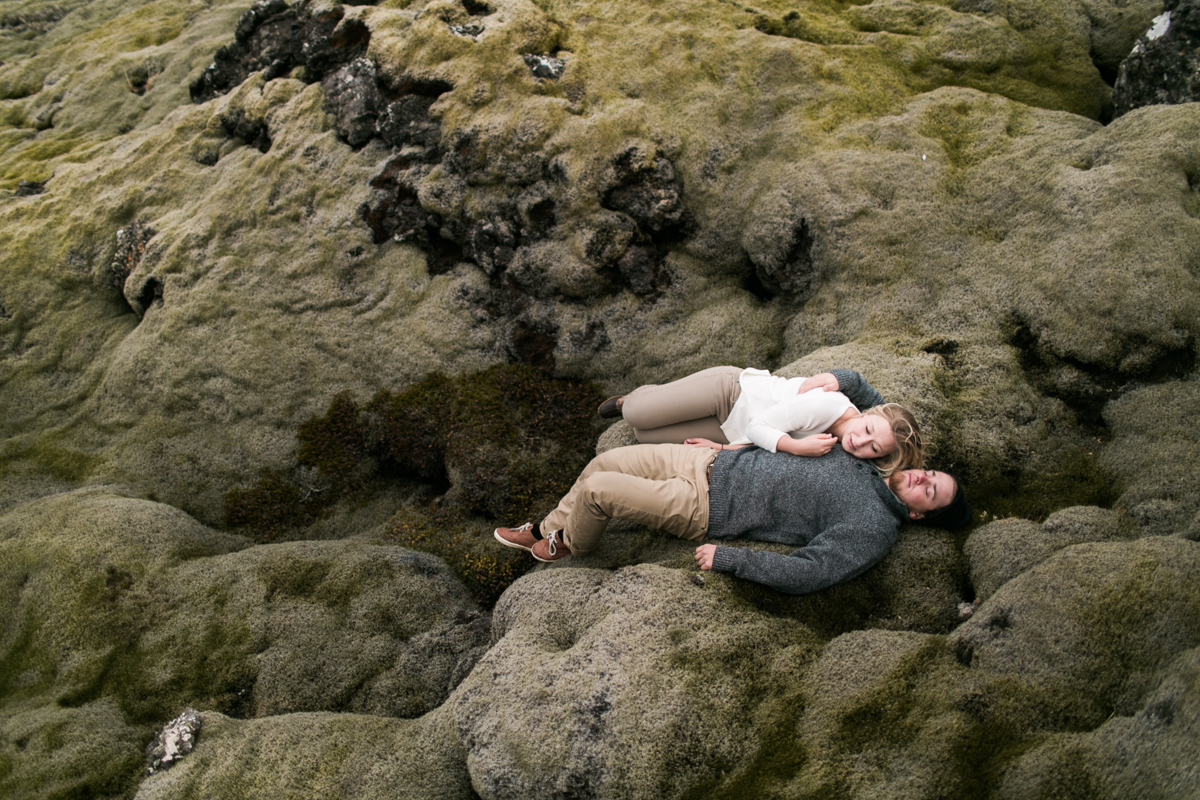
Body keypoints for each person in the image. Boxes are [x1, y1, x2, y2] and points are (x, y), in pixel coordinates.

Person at [493, 441, 972, 595]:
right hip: (708, 462)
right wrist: (725, 446)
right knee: (604, 461)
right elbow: (842, 392)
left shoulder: (874, 528)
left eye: (931, 492)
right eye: (928, 473)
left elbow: (811, 572)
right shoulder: (871, 462)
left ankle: (572, 544)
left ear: (918, 514)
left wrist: (731, 558)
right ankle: (543, 529)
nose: (920, 480)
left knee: (598, 492)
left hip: (704, 506)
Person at [599, 367, 921, 475]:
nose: (860, 441)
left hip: (730, 429)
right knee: (635, 415)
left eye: (873, 447)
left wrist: (722, 449)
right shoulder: (826, 406)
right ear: (868, 413)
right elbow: (762, 429)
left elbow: (758, 438)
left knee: (643, 436)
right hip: (731, 393)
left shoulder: (840, 445)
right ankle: (638, 398)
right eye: (867, 430)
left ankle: (656, 401)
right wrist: (796, 447)